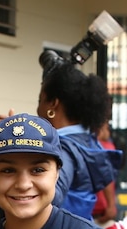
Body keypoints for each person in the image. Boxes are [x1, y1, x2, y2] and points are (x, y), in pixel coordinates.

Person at [35, 61, 119, 219]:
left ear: (53, 104)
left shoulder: (63, 147)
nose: (37, 109)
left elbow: (52, 196)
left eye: (40, 101)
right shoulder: (87, 141)